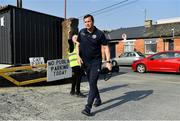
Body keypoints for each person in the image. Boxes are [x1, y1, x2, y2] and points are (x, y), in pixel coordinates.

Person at [77, 14, 112, 116]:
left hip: (95, 63)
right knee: (92, 83)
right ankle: (98, 99)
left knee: (92, 84)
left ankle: (88, 107)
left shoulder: (99, 34)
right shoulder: (82, 32)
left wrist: (108, 62)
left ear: (93, 21)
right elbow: (77, 45)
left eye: (89, 21)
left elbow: (106, 48)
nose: (87, 23)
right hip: (85, 63)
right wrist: (78, 57)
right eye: (85, 22)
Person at [68, 32, 86, 98]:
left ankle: (72, 91)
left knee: (75, 78)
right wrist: (70, 35)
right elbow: (69, 41)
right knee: (78, 78)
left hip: (77, 64)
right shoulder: (72, 45)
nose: (76, 38)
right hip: (75, 64)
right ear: (73, 39)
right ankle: (77, 92)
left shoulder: (78, 46)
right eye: (75, 37)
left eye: (77, 37)